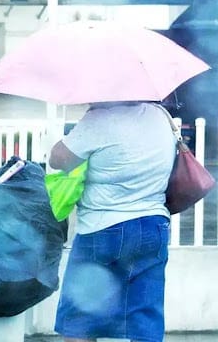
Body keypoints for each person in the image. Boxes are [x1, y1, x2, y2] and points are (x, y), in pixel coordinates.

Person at [49, 101, 176, 342]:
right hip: (153, 226)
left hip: (102, 229)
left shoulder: (99, 120)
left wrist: (84, 123)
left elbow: (58, 159)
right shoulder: (160, 116)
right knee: (145, 319)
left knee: (80, 318)